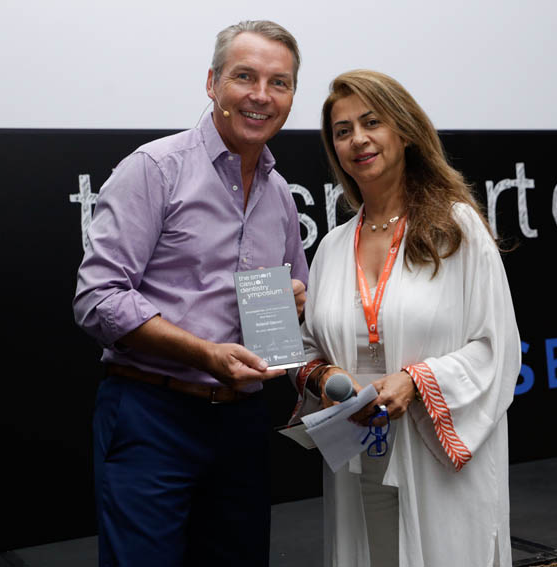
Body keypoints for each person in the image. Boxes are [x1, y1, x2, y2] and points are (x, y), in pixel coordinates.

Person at [73, 20, 309, 567]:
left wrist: (293, 303)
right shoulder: (155, 169)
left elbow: (293, 300)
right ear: (212, 83)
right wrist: (204, 354)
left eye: (279, 82)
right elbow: (97, 298)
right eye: (244, 76)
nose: (261, 95)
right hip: (152, 415)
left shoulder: (279, 194)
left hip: (242, 426)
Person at [291, 70, 521, 567]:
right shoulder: (331, 247)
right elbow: (309, 351)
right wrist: (328, 379)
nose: (358, 139)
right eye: (343, 130)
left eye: (372, 122)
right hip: (356, 458)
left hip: (434, 459)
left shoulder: (455, 229)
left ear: (406, 132)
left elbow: (495, 348)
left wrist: (416, 382)